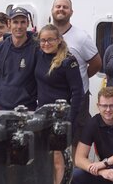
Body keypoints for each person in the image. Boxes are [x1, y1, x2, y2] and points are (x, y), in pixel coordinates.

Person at [35, 24, 84, 184]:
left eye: (50, 40)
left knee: (57, 157)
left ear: (59, 40)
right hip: (42, 115)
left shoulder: (68, 61)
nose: (46, 43)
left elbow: (78, 93)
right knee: (42, 157)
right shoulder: (39, 55)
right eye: (43, 40)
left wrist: (70, 119)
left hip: (61, 117)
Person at [51, 0, 102, 147]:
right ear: (52, 10)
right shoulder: (44, 36)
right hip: (52, 97)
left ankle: (75, 171)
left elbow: (96, 63)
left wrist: (80, 79)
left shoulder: (81, 37)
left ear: (71, 12)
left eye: (65, 7)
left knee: (76, 140)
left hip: (77, 99)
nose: (61, 9)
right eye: (58, 6)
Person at [73, 87, 113, 184]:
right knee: (76, 175)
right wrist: (101, 171)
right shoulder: (92, 124)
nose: (108, 109)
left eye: (112, 105)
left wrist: (104, 163)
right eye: (104, 106)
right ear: (98, 106)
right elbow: (79, 158)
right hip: (104, 168)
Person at [0, 6, 38, 110]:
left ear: (28, 23)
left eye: (23, 22)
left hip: (27, 108)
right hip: (0, 107)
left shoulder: (37, 49)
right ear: (9, 24)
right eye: (15, 22)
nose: (19, 26)